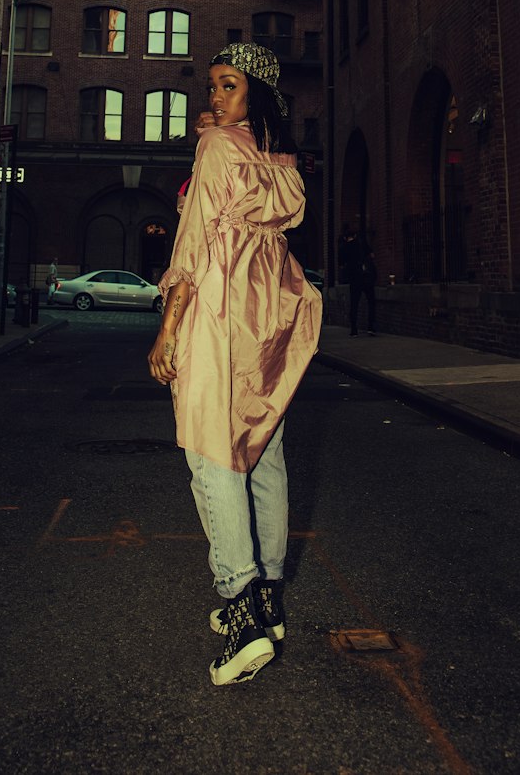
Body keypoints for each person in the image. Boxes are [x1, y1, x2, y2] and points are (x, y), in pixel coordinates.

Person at [148, 43, 321, 686]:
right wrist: (223, 132)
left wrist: (169, 325)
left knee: (208, 449)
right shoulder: (277, 158)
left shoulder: (219, 148)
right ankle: (271, 601)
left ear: (254, 94)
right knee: (263, 448)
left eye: (228, 87)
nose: (213, 98)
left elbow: (192, 242)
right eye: (213, 86)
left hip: (218, 310)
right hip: (265, 315)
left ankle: (242, 605)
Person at [348, 225, 377, 336]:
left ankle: (354, 329)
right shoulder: (364, 244)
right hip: (366, 277)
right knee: (371, 302)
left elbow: (342, 262)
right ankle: (371, 326)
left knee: (354, 303)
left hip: (355, 279)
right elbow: (372, 255)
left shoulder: (348, 246)